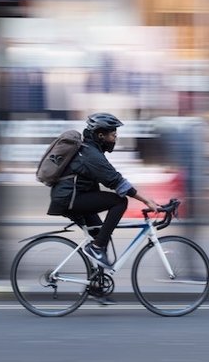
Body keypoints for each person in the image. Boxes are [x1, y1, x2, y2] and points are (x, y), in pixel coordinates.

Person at [47, 113, 159, 272]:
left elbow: (110, 178)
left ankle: (96, 287)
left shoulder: (90, 151)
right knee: (120, 201)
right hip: (69, 199)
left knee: (101, 236)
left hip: (72, 198)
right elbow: (116, 181)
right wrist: (146, 200)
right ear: (101, 135)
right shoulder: (90, 154)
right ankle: (97, 248)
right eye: (113, 135)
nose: (115, 138)